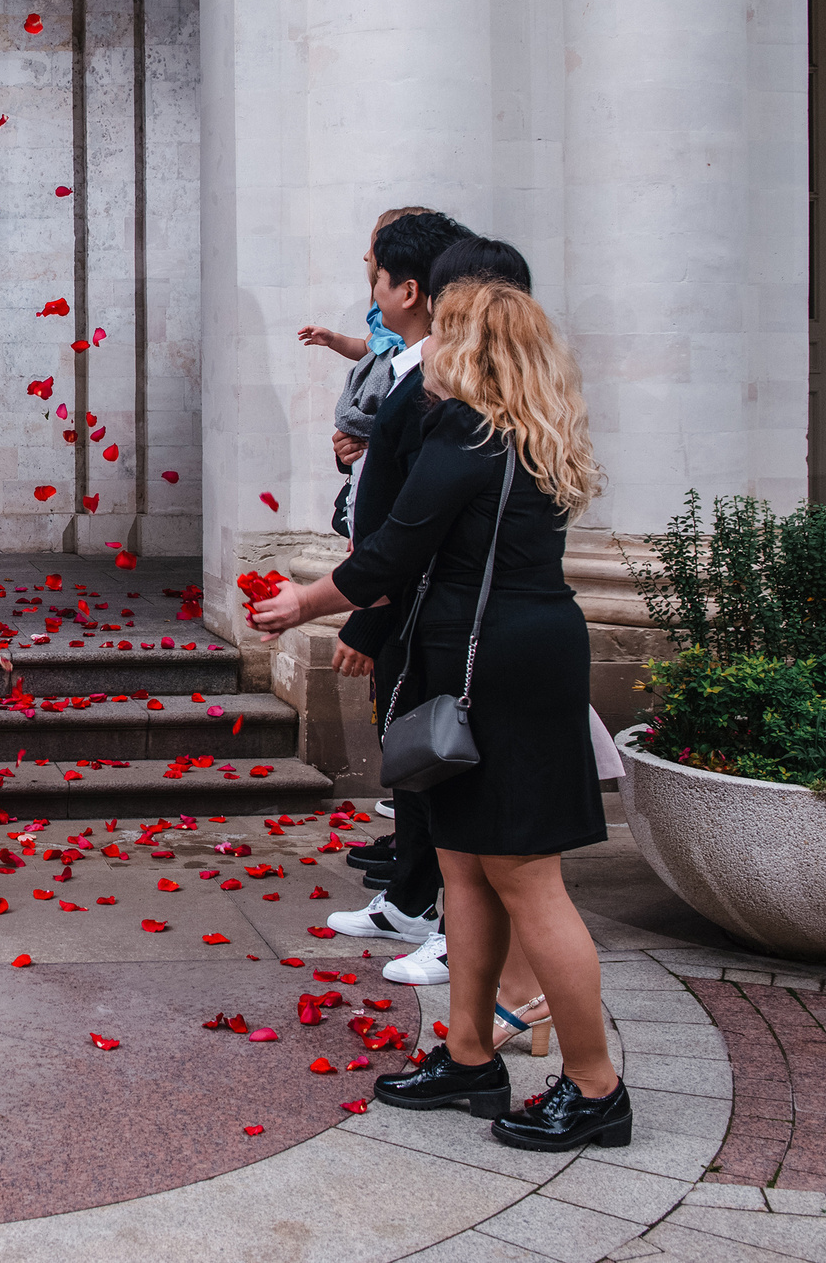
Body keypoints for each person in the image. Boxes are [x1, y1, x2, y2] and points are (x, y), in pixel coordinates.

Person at [253, 277, 626, 1153]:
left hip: (496, 663)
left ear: (473, 350)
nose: (421, 356)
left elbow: (394, 548)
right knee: (463, 862)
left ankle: (596, 1083)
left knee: (527, 877)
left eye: (443, 337)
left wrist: (302, 603)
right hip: (500, 651)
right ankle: (467, 1055)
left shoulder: (470, 434)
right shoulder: (522, 433)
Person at [316, 208, 471, 959]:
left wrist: (359, 618)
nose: (370, 291)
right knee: (405, 750)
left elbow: (414, 528)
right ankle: (412, 897)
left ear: (409, 288)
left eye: (377, 277)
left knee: (428, 759)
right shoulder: (409, 376)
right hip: (398, 600)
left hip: (418, 609)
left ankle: (446, 918)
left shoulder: (441, 387)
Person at [299, 205, 427, 539]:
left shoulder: (430, 373)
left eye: (375, 251)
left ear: (410, 291)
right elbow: (368, 349)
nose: (365, 257)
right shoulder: (383, 323)